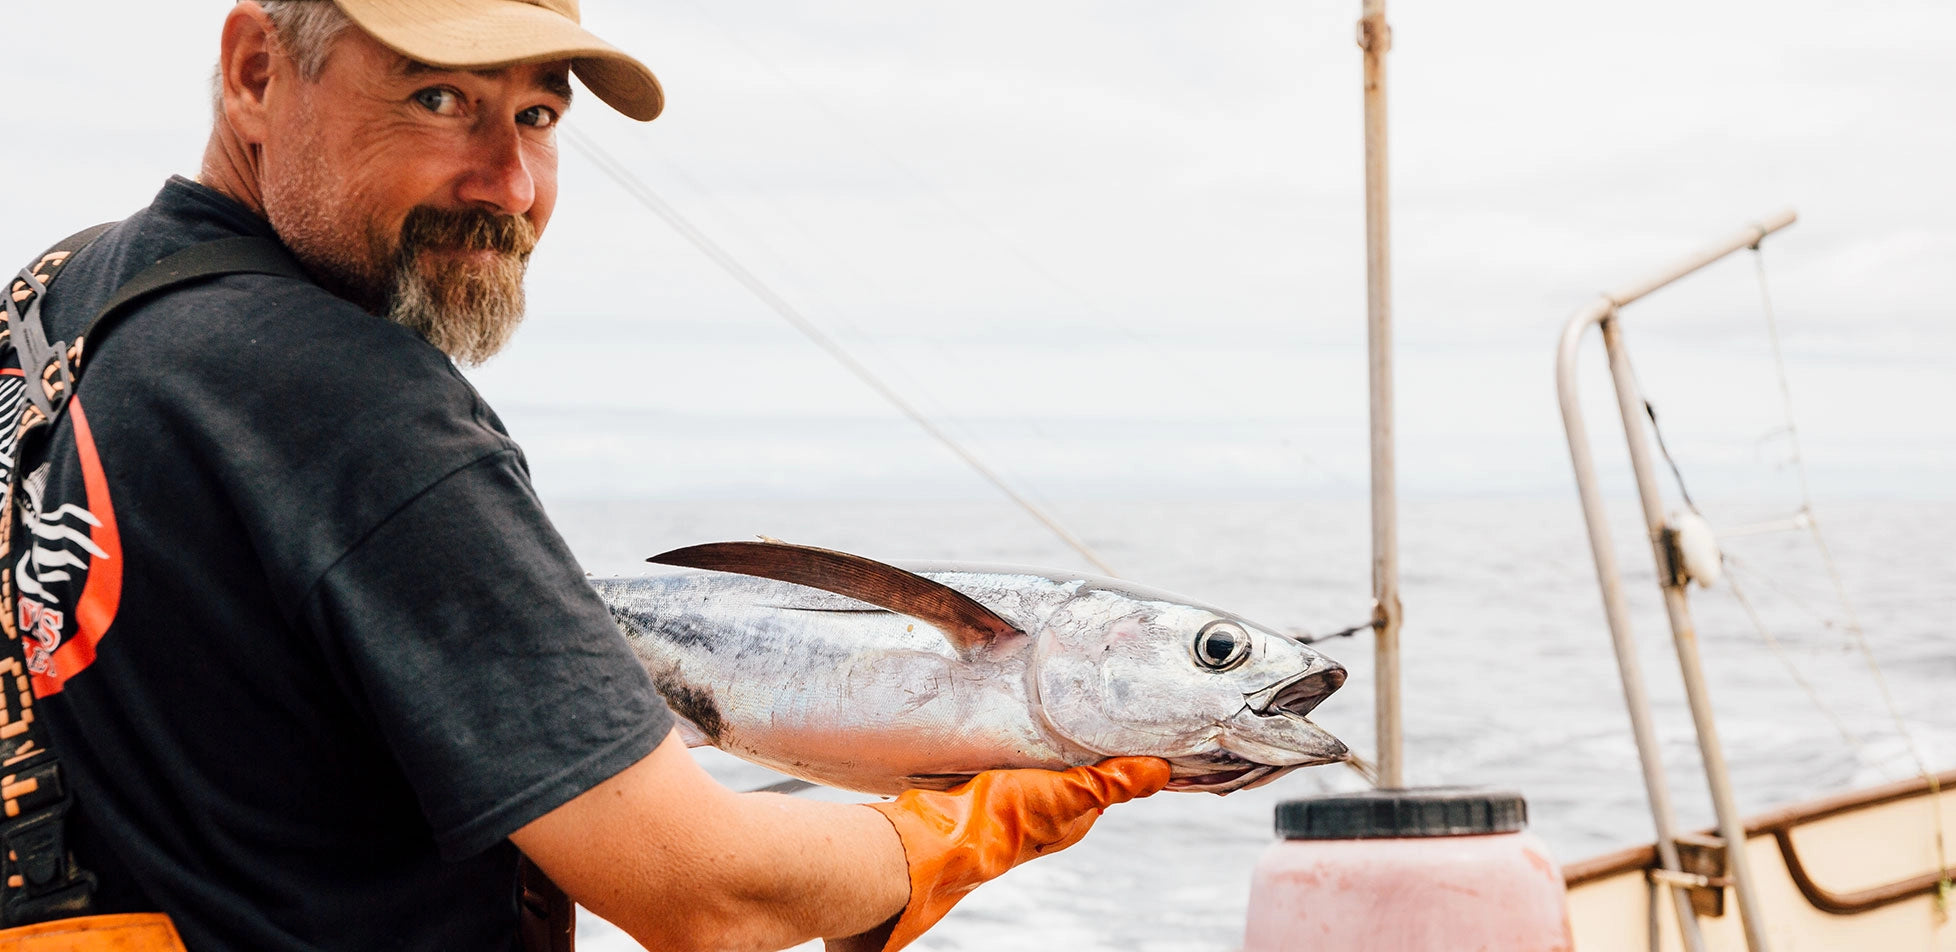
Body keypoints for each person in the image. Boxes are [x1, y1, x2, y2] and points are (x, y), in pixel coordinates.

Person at [0, 1, 1170, 950]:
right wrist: (965, 824)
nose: (507, 184)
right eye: (439, 98)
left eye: (540, 113)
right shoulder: (343, 395)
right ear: (257, 69)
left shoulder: (57, 302)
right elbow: (708, 895)